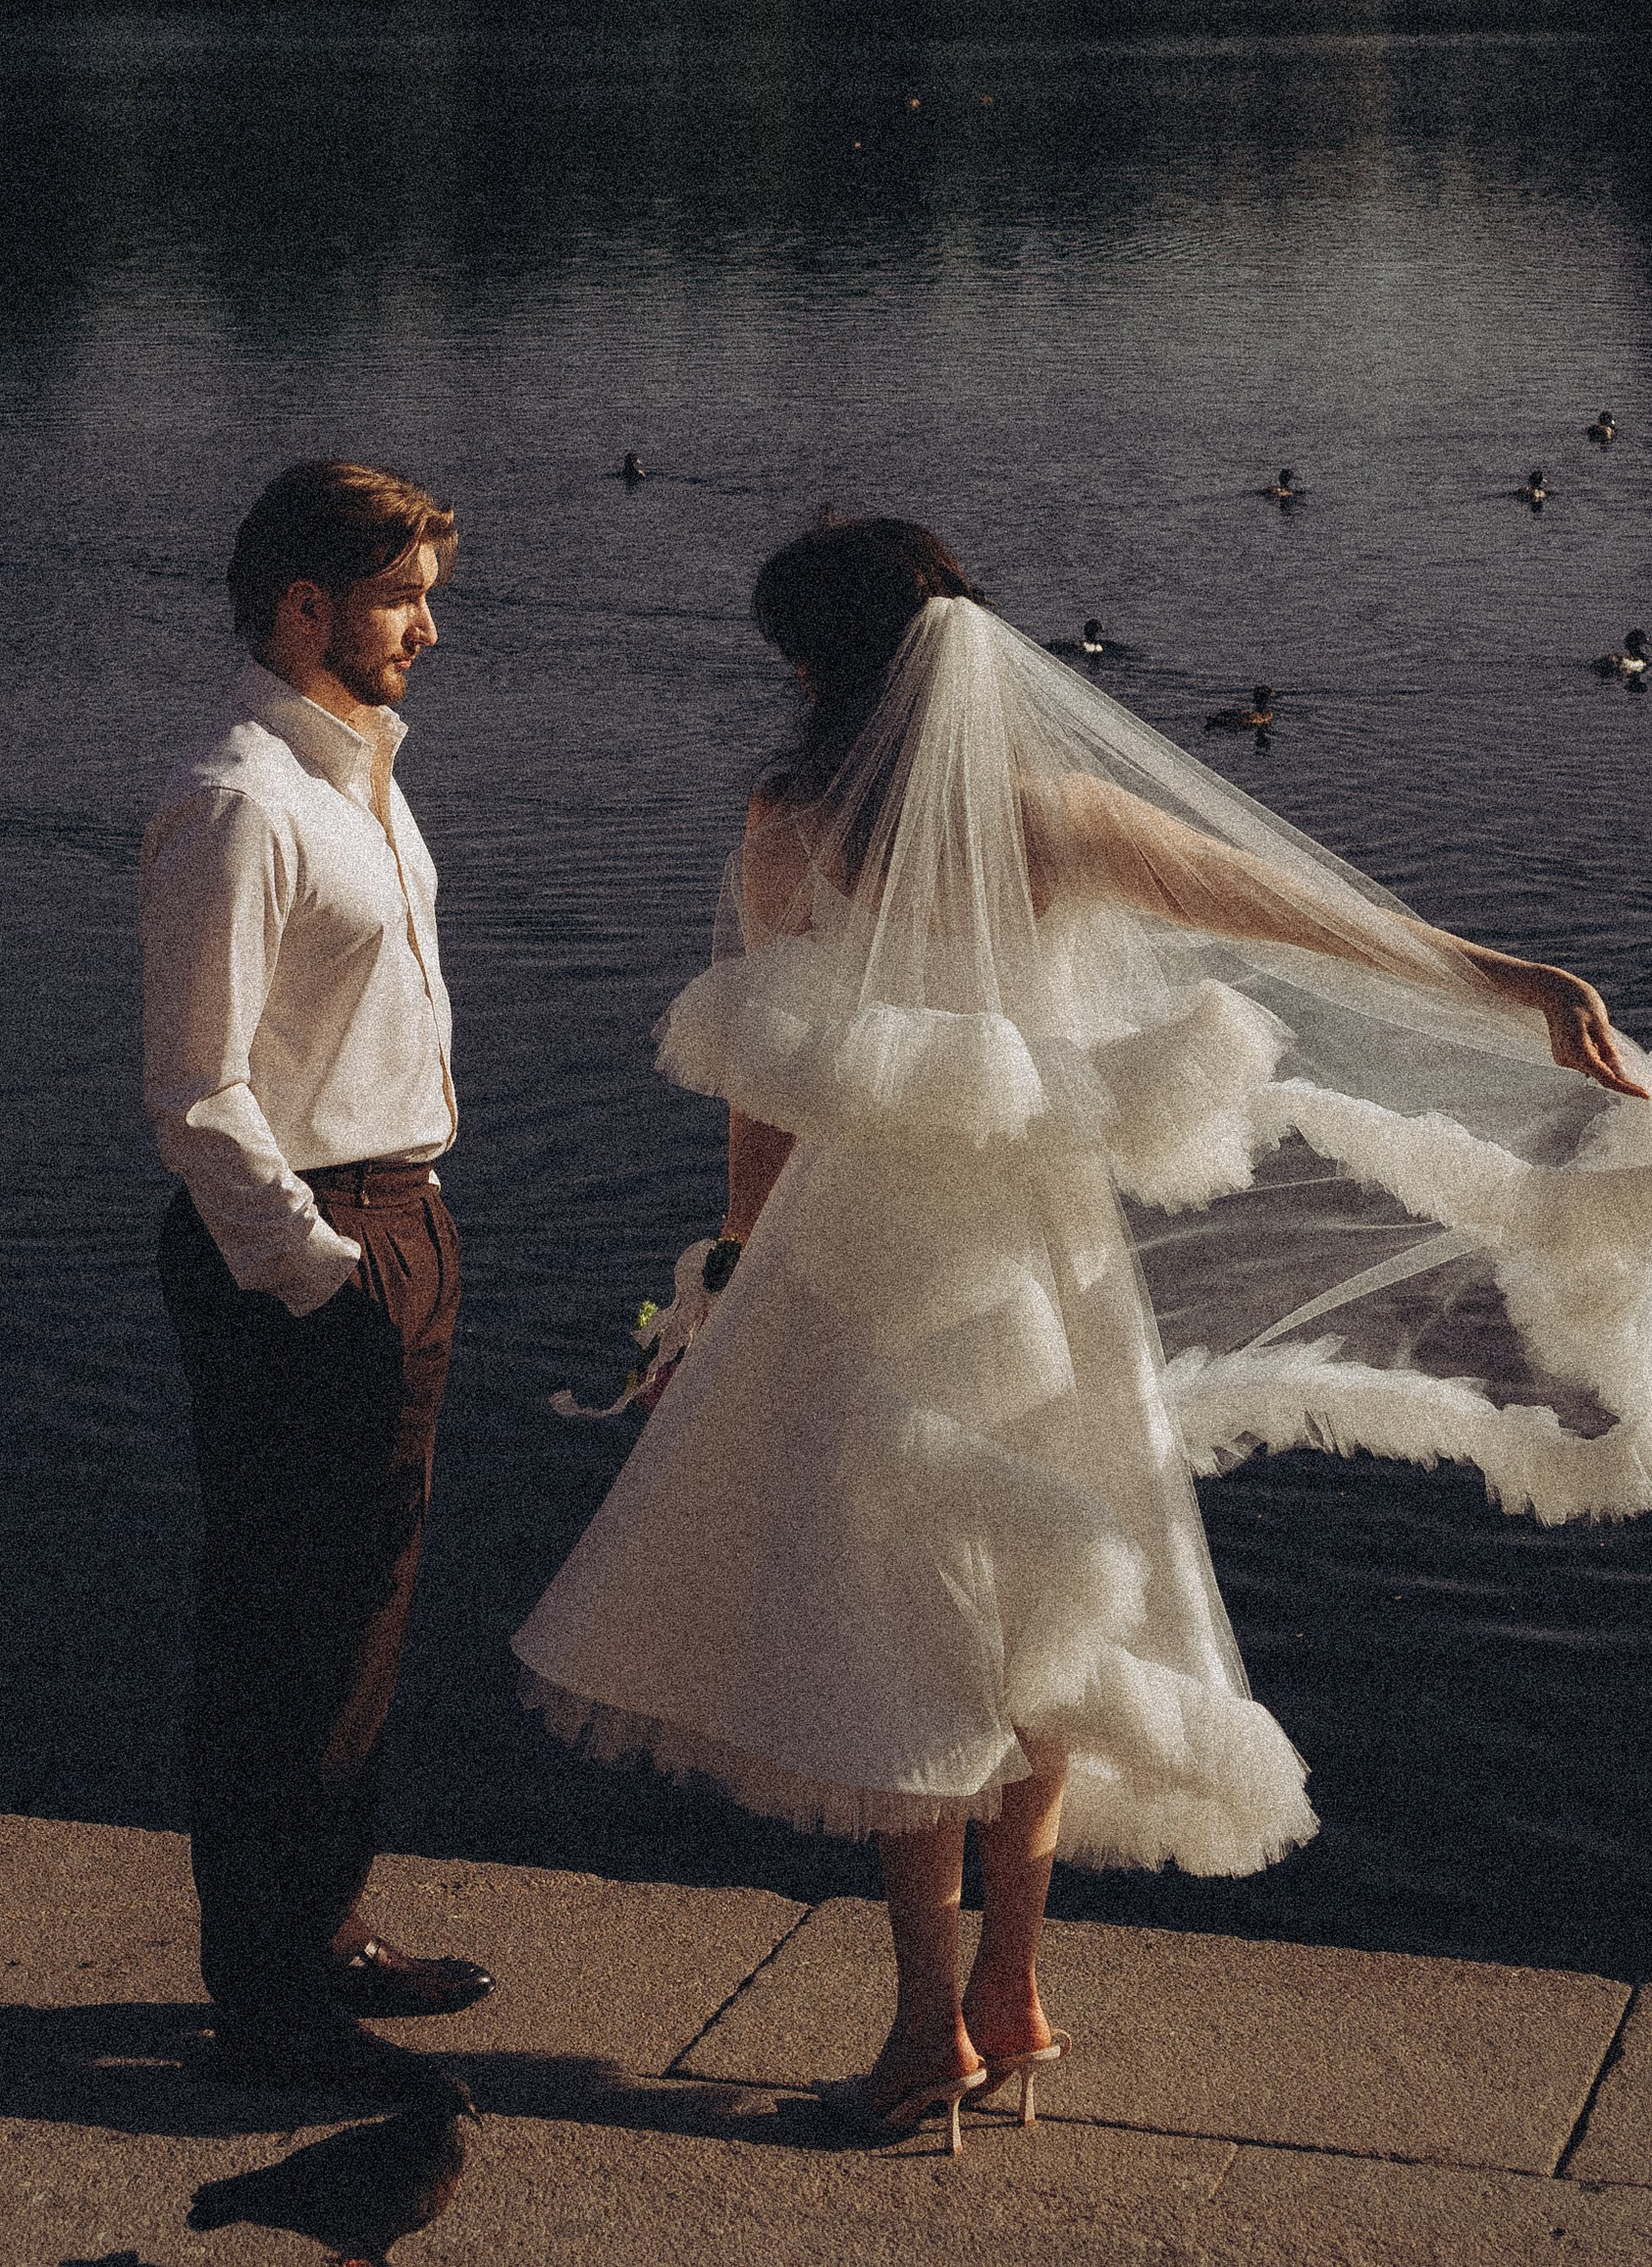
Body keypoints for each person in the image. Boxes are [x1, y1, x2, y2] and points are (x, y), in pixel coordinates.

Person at [515, 515, 1652, 2152]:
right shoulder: (1052, 819)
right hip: (1042, 1267)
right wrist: (1510, 978)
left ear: (809, 667)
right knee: (1045, 1606)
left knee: (903, 1631)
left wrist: (723, 1265)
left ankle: (926, 2034)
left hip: (863, 1270)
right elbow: (1306, 918)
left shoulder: (785, 829)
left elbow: (771, 1088)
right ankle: (1009, 1995)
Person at [143, 459, 492, 2094]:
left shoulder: (359, 775)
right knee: (278, 1623)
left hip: (398, 1217)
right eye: (402, 594)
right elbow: (199, 1094)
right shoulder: (239, 801)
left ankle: (327, 1927)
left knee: (369, 1608)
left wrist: (394, 1251)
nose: (429, 623)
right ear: (306, 605)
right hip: (305, 1245)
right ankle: (260, 1994)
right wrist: (320, 1274)